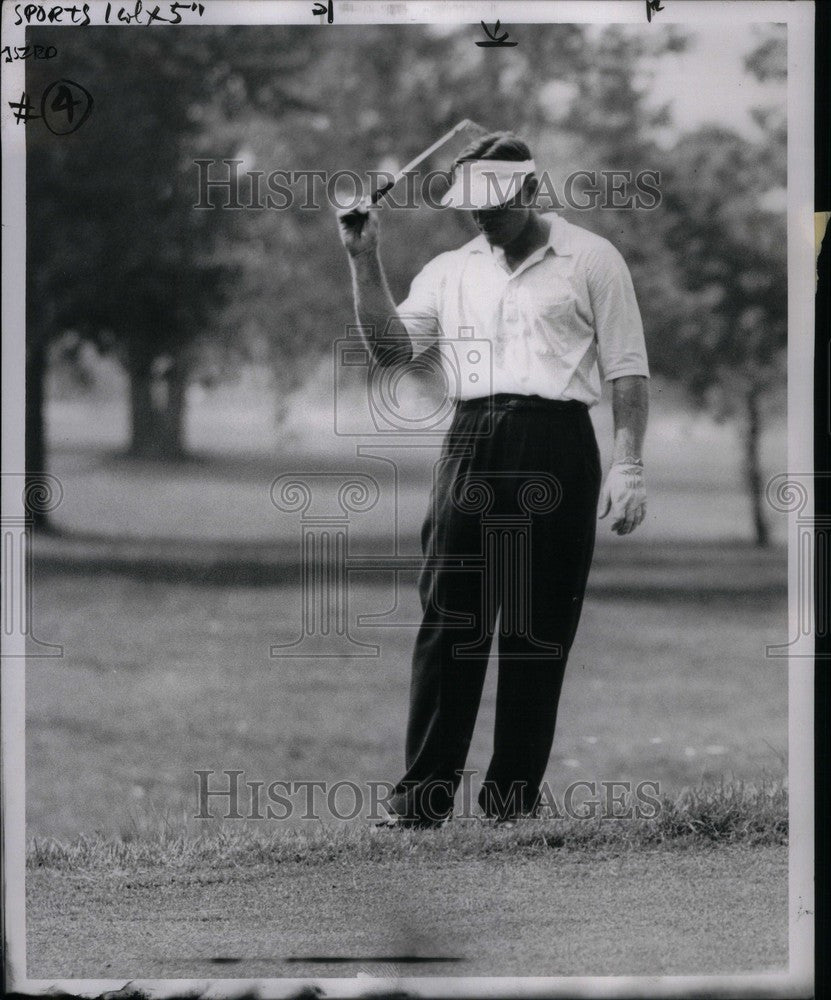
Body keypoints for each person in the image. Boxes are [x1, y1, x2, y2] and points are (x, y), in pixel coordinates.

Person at [337, 131, 649, 827]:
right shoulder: (451, 270)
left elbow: (626, 369)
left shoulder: (592, 259)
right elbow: (392, 350)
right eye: (471, 208)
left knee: (537, 628)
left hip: (559, 441)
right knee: (450, 620)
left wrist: (627, 465)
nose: (482, 219)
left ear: (531, 191)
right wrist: (364, 259)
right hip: (472, 439)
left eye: (496, 206)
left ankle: (511, 804)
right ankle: (422, 800)